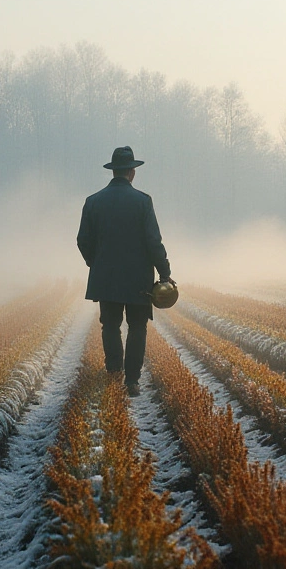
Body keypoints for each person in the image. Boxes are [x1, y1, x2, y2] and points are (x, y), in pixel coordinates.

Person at [76, 146, 174, 397]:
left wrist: (95, 263)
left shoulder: (93, 201)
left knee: (110, 326)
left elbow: (82, 241)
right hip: (138, 279)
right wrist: (164, 273)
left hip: (105, 276)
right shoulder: (143, 201)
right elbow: (154, 242)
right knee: (137, 327)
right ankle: (131, 381)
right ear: (132, 172)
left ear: (114, 172)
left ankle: (113, 374)